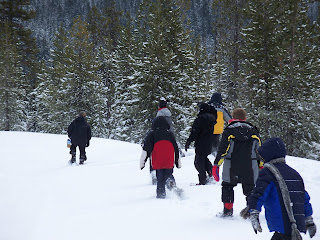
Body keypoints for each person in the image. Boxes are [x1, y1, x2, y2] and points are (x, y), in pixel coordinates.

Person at [247, 137, 317, 240]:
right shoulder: (294, 174)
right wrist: (308, 220)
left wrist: (254, 213)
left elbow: (258, 194)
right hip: (295, 226)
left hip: (281, 223)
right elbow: (303, 198)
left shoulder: (268, 173)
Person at [212, 108, 262, 217]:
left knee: (227, 186)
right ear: (245, 118)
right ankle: (251, 211)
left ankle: (227, 211)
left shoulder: (229, 131)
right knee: (250, 188)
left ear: (233, 118)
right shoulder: (254, 131)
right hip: (250, 166)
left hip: (231, 165)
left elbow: (222, 150)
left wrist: (216, 165)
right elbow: (260, 151)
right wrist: (261, 165)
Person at [140, 116, 181, 199]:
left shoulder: (152, 134)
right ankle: (171, 181)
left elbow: (146, 149)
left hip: (158, 160)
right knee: (169, 173)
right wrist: (177, 162)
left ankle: (161, 195)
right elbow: (176, 149)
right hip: (169, 160)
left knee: (160, 178)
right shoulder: (170, 134)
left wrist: (142, 163)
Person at [185, 102, 217, 185]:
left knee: (198, 162)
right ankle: (211, 172)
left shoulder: (200, 119)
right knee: (203, 159)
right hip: (209, 142)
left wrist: (189, 141)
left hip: (200, 143)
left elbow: (195, 132)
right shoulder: (212, 119)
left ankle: (203, 179)